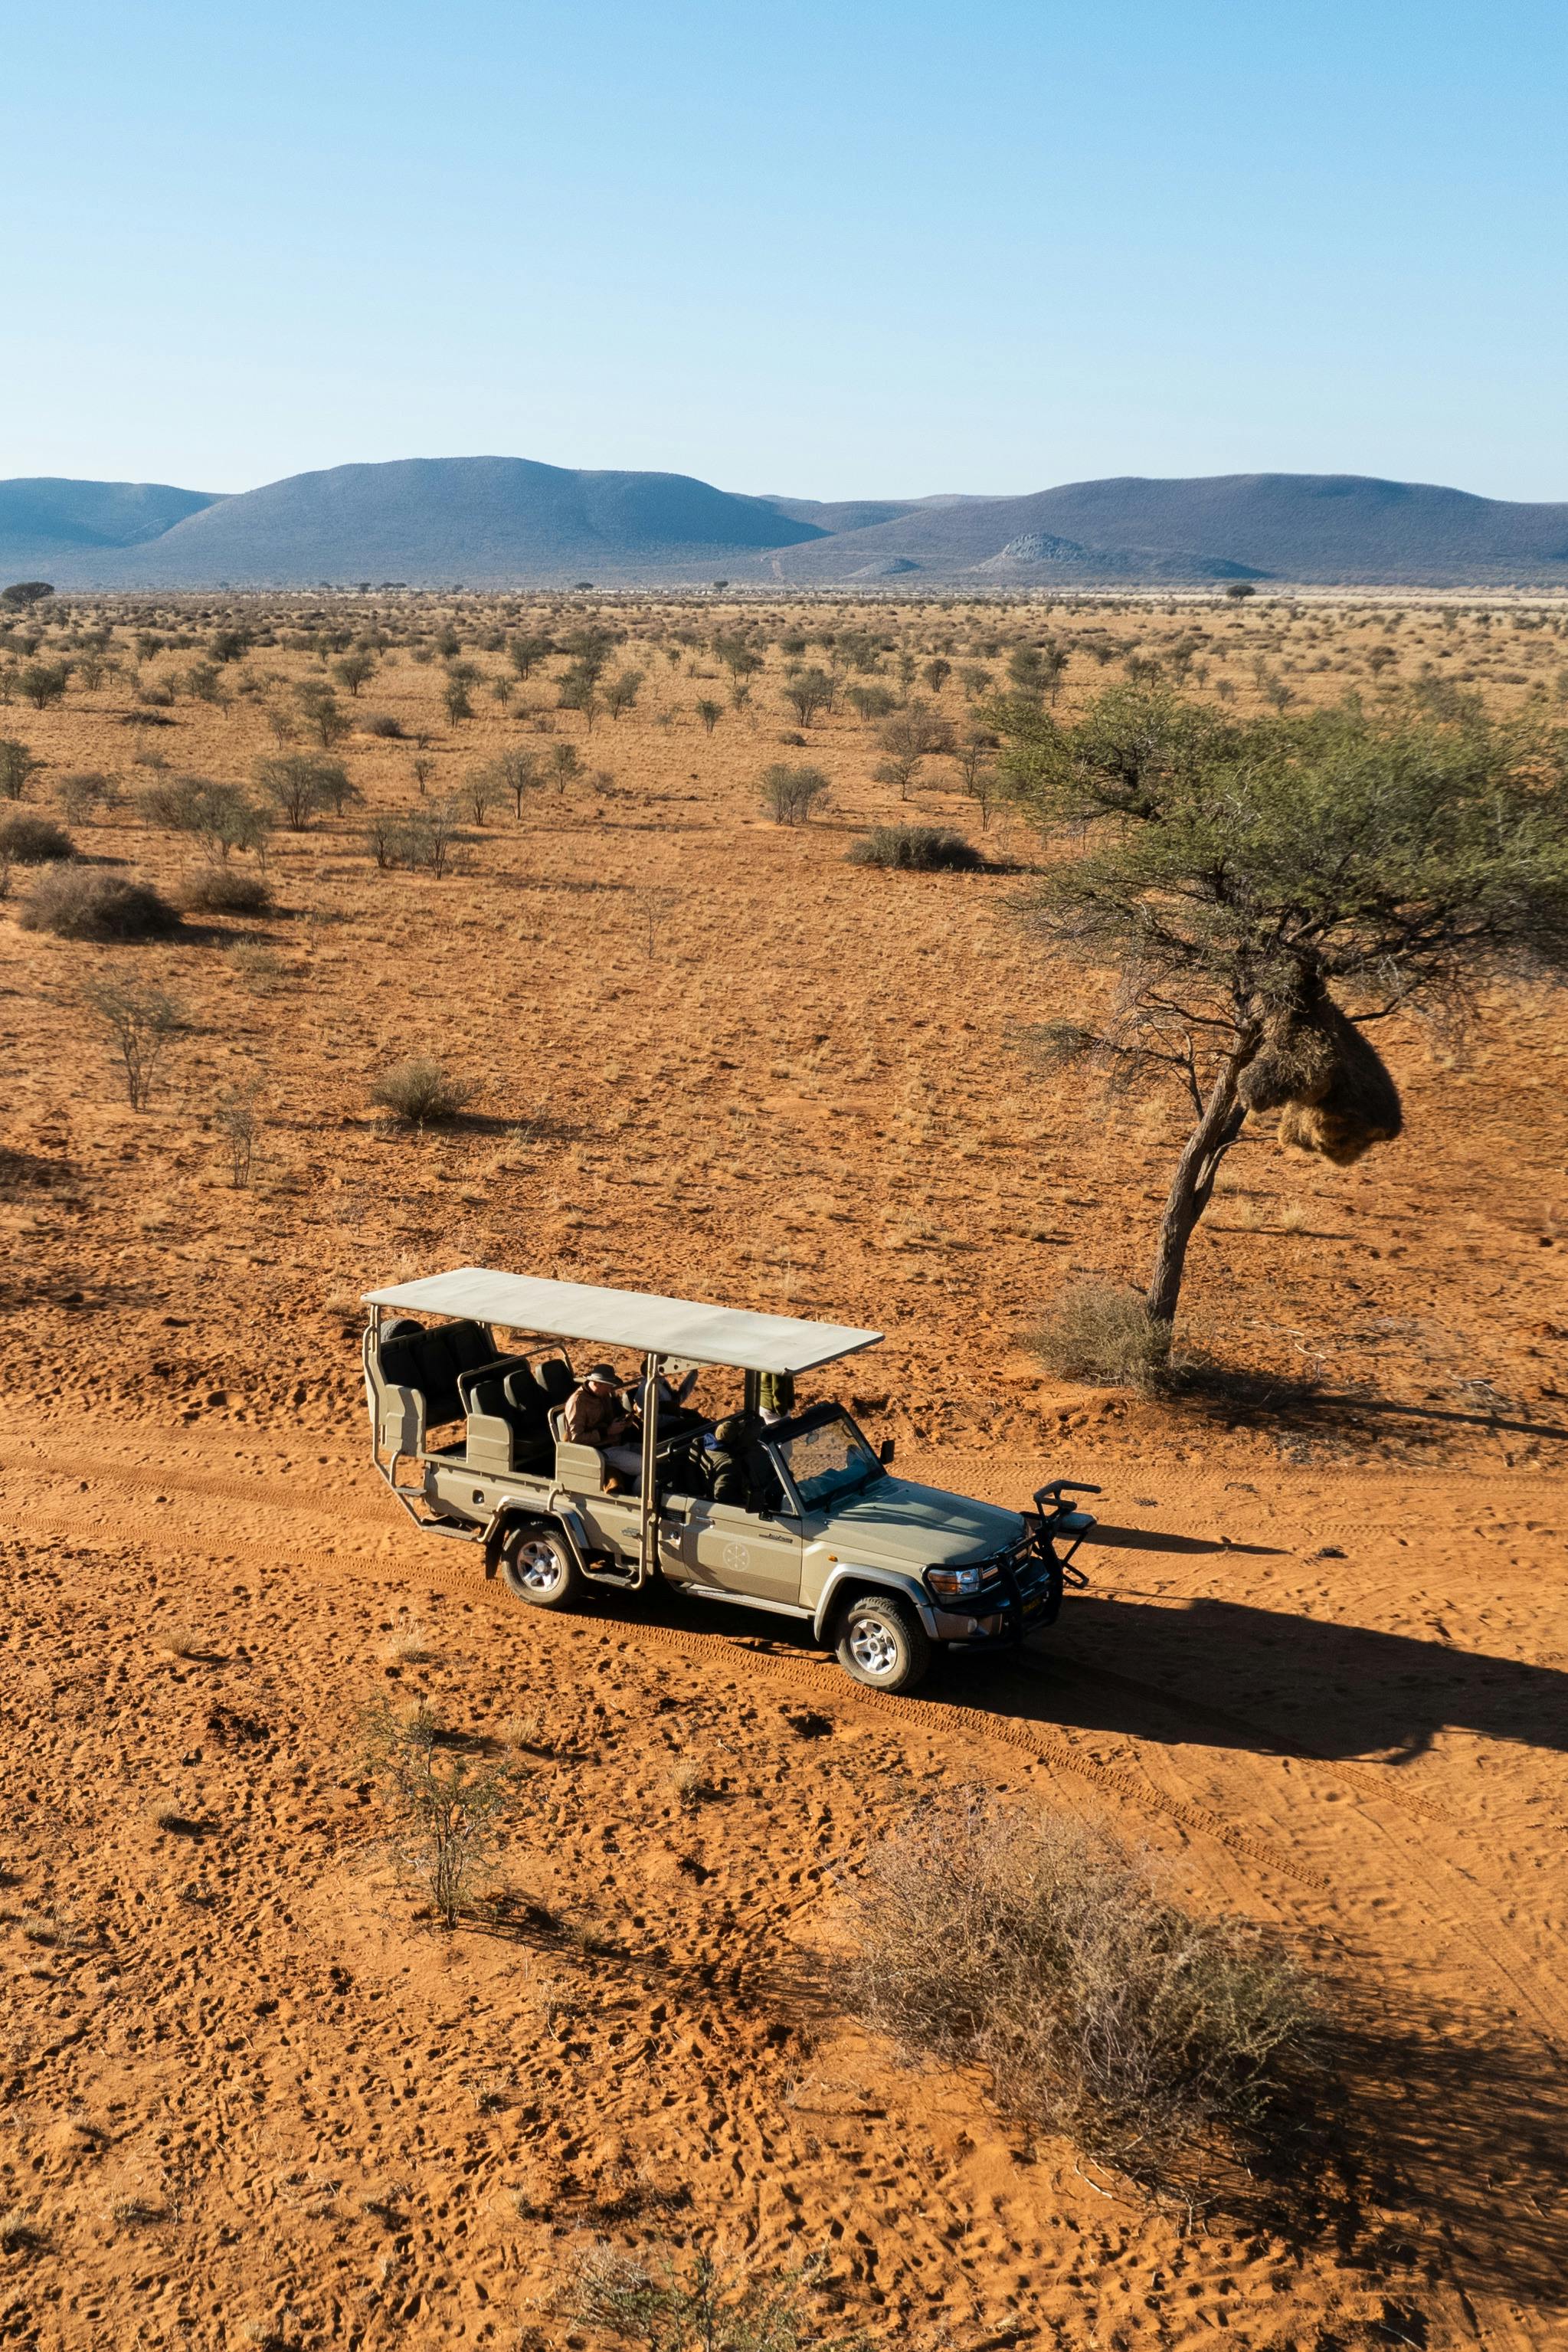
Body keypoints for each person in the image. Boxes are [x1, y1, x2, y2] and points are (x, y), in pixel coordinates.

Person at [562, 1364, 644, 1493]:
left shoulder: (604, 1394)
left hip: (616, 1443)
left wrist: (625, 1421)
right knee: (645, 1467)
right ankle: (638, 1500)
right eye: (608, 1385)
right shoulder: (578, 1402)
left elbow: (611, 1415)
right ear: (596, 1383)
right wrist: (607, 1432)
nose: (610, 1389)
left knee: (655, 1455)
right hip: (600, 1452)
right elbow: (575, 1439)